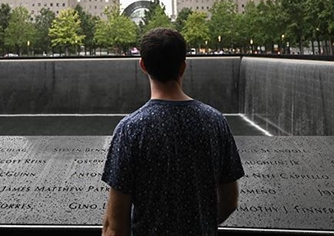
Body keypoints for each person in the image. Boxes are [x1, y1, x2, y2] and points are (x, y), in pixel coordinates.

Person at [101, 28, 244, 235]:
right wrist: (200, 224)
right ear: (183, 67)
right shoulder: (215, 121)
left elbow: (115, 225)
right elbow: (230, 201)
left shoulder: (130, 129)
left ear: (143, 65)